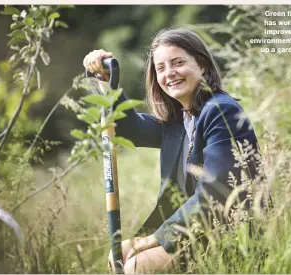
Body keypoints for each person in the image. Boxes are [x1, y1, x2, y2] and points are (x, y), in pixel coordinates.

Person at [83, 28, 260, 274]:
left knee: (136, 267)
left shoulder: (220, 111)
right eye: (161, 68)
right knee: (118, 256)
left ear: (203, 66)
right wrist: (106, 80)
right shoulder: (180, 120)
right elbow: (129, 129)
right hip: (194, 229)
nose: (170, 73)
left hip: (225, 231)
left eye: (178, 63)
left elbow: (215, 194)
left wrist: (153, 239)